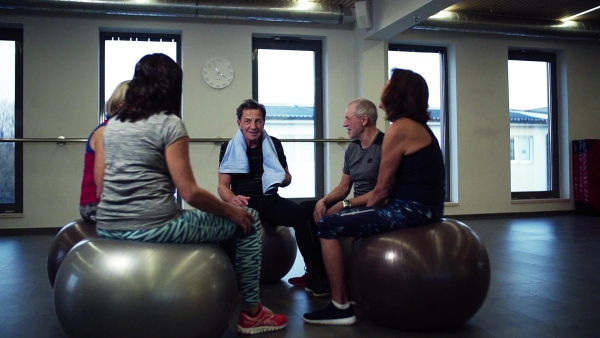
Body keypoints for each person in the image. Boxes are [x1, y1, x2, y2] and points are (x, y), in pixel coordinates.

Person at [94, 53, 287, 336]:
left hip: (107, 225)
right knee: (252, 219)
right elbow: (190, 193)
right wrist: (233, 211)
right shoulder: (169, 124)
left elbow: (101, 189)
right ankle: (252, 312)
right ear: (172, 88)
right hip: (154, 226)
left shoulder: (112, 127)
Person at [303, 68, 446, 325]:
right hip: (419, 206)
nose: (384, 86)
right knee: (337, 220)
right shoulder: (411, 126)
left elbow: (381, 191)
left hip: (412, 209)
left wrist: (362, 220)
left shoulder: (399, 129)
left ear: (398, 93)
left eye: (389, 83)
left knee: (327, 225)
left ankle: (340, 305)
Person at [218, 99, 330, 297]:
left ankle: (314, 275)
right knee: (223, 226)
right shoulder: (229, 147)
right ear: (239, 123)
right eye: (247, 121)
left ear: (264, 122)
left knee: (302, 214)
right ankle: (228, 279)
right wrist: (232, 199)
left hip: (269, 200)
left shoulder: (274, 145)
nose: (253, 126)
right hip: (243, 202)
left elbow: (286, 178)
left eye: (258, 121)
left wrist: (282, 178)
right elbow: (223, 187)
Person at [288, 97, 384, 290]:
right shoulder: (353, 149)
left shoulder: (386, 146)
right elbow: (343, 187)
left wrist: (346, 205)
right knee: (306, 209)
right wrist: (324, 201)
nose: (344, 124)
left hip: (375, 205)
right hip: (355, 203)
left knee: (328, 220)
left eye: (348, 119)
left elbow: (382, 192)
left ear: (364, 120)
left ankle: (333, 282)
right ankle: (317, 272)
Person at [78, 80, 129, 221]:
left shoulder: (125, 133)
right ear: (120, 106)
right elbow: (101, 181)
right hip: (95, 204)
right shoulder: (105, 132)